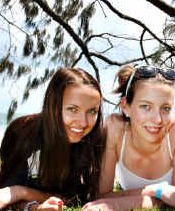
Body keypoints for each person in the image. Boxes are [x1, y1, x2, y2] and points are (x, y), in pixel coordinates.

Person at [82, 64, 175, 210]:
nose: (158, 119)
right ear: (125, 107)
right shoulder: (114, 128)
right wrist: (158, 190)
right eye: (145, 106)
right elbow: (101, 194)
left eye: (166, 108)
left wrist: (119, 203)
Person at [0, 68, 105, 210]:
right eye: (73, 109)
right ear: (54, 105)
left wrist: (22, 192)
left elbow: (75, 198)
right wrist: (30, 202)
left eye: (92, 111)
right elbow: (7, 192)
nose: (83, 122)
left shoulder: (93, 141)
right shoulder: (24, 133)